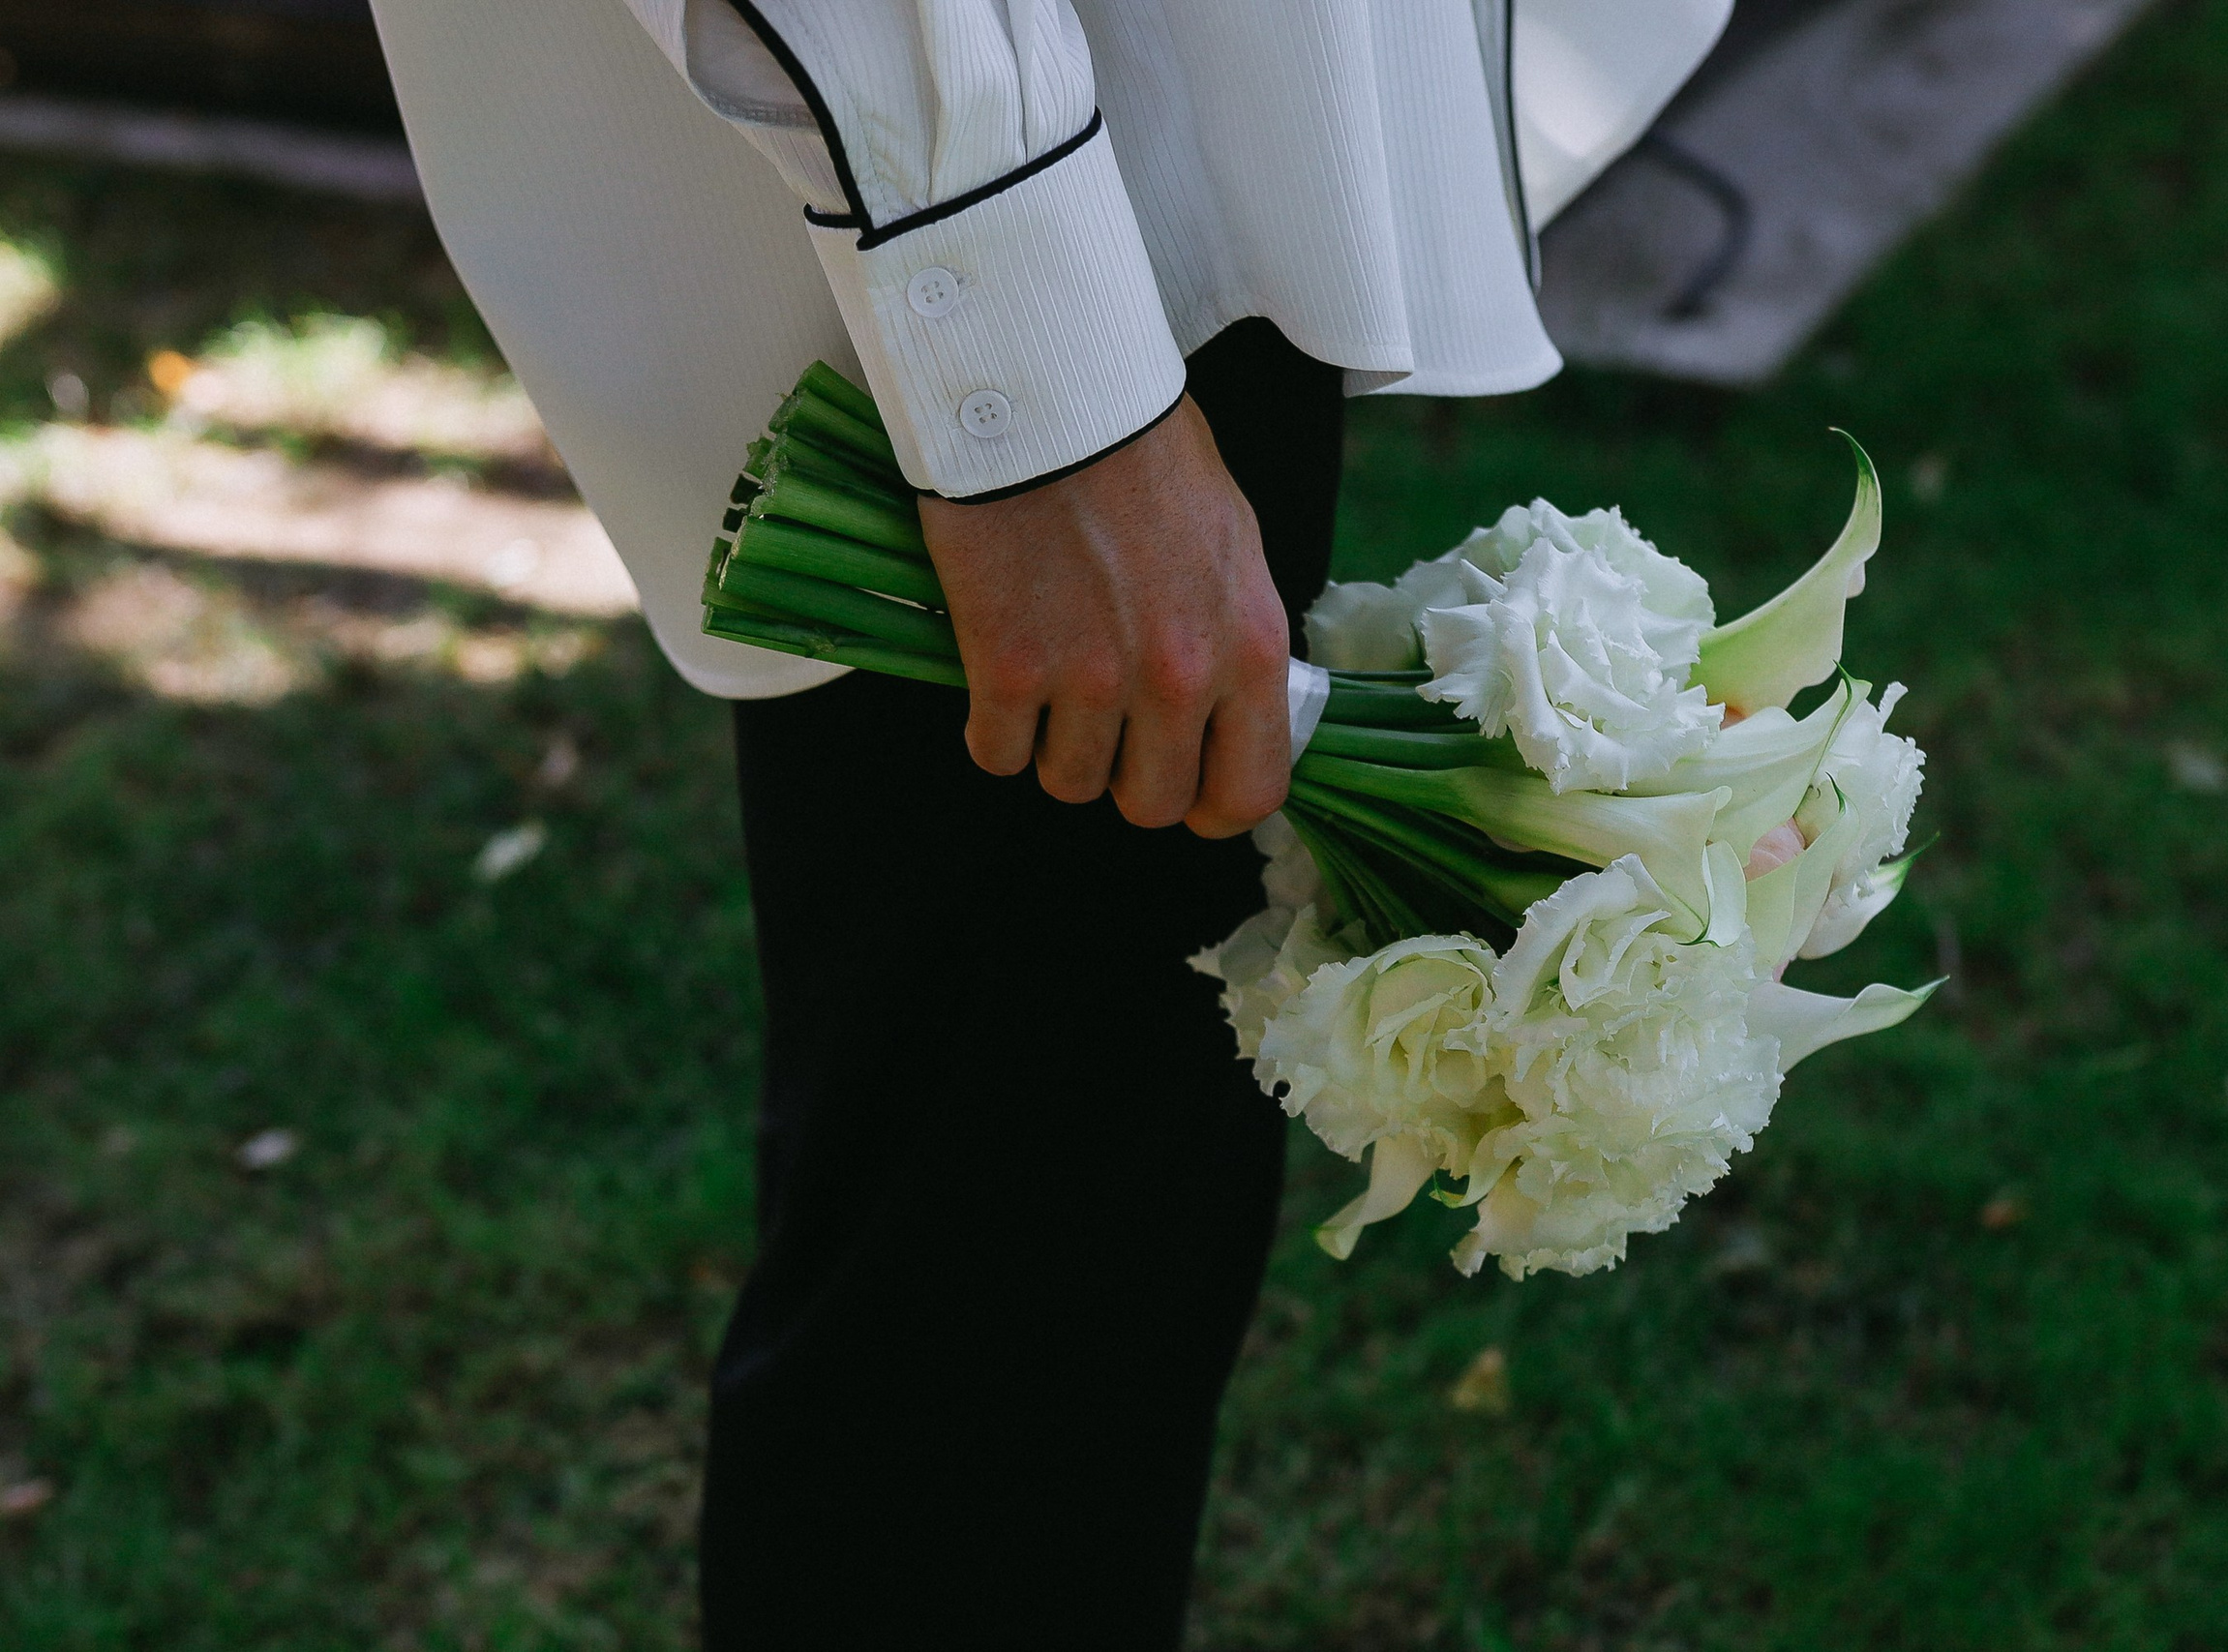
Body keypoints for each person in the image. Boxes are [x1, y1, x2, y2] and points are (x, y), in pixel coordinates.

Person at [366, 0, 1730, 1642]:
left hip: (1102, 136)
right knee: (1002, 1291)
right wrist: (1025, 370)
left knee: (1087, 1211)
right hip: (1043, 160)